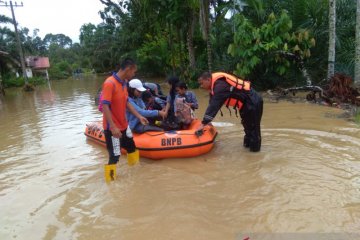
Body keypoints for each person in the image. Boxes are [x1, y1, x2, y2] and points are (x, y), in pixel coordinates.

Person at [101, 58, 149, 182]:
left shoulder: (123, 83)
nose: (134, 74)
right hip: (113, 129)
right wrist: (112, 127)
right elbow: (105, 105)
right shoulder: (109, 83)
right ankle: (110, 184)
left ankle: (135, 175)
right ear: (128, 69)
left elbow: (126, 102)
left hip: (124, 126)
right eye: (134, 72)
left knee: (132, 148)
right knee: (115, 156)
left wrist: (139, 116)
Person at [197, 72, 263, 152]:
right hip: (245, 103)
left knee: (253, 130)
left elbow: (214, 106)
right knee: (247, 128)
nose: (201, 86)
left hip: (252, 100)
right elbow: (211, 104)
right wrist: (207, 122)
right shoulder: (215, 86)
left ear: (208, 80)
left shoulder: (219, 86)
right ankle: (248, 152)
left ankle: (255, 155)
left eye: (201, 83)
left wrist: (203, 123)